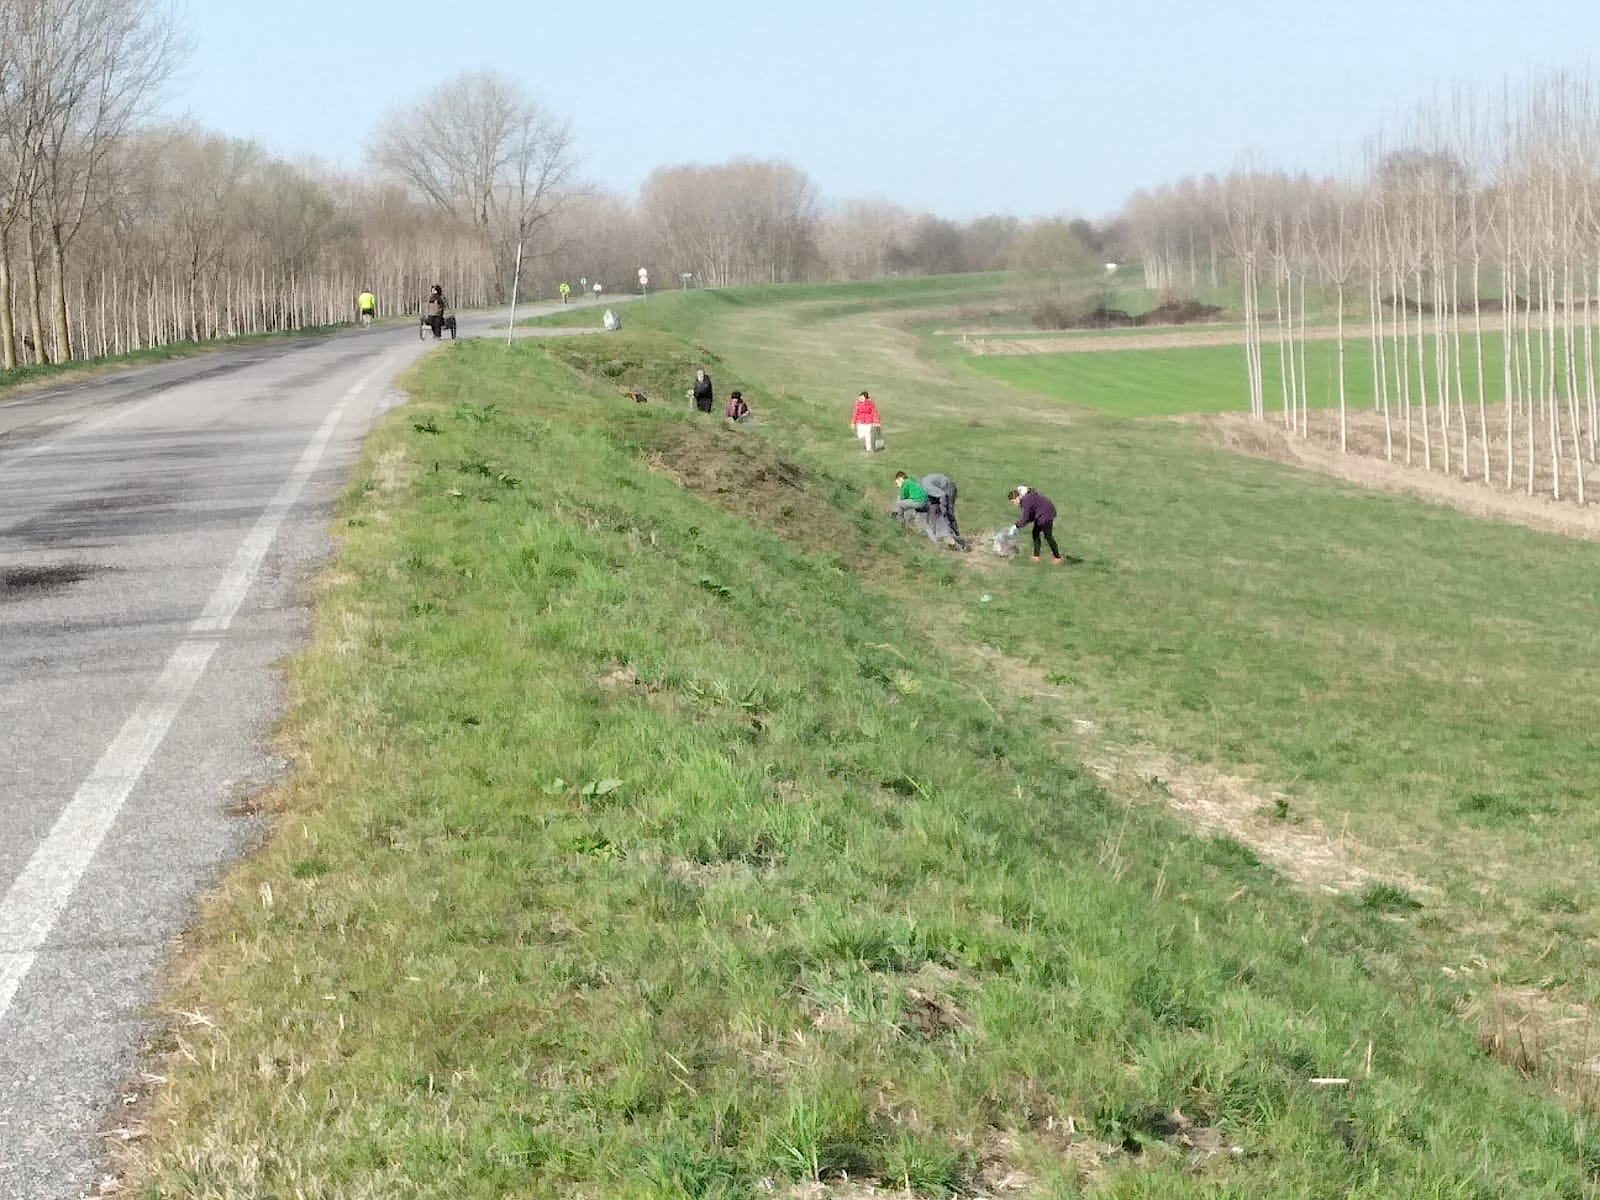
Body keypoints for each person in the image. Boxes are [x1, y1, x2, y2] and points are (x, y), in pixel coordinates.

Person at [1008, 485, 1062, 563]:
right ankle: (1036, 556)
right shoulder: (1026, 498)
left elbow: (1026, 518)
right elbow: (1030, 516)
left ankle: (1057, 557)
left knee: (1048, 536)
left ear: (1017, 497)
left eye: (1013, 501)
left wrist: (1016, 526)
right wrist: (1018, 525)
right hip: (1041, 514)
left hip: (1046, 514)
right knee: (1035, 533)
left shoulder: (1025, 501)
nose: (1014, 504)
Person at [919, 472, 966, 548]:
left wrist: (943, 510)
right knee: (935, 513)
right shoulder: (921, 488)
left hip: (947, 488)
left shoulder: (926, 486)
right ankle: (943, 536)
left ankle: (958, 539)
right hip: (938, 492)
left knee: (948, 513)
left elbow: (942, 495)